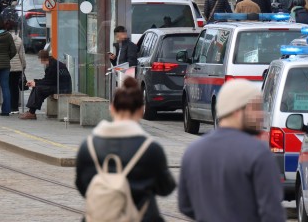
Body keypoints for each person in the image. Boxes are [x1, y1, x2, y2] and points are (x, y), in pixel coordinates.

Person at [178, 79, 284, 221]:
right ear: (237, 111)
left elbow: (185, 205)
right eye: (257, 108)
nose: (261, 115)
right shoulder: (258, 153)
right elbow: (272, 214)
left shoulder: (193, 152)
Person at [75, 77, 176, 221]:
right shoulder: (151, 149)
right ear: (141, 111)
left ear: (112, 108)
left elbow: (82, 186)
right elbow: (166, 188)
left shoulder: (88, 147)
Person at [20, 50, 72, 120]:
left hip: (63, 88)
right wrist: (35, 81)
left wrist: (36, 83)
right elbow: (48, 79)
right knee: (37, 87)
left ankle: (31, 113)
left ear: (41, 59)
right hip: (59, 86)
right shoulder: (52, 63)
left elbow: (49, 81)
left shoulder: (52, 65)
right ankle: (31, 112)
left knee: (39, 89)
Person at [7, 20, 26, 113]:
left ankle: (8, 107)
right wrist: (24, 66)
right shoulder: (18, 40)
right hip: (17, 67)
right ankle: (15, 108)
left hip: (6, 66)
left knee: (7, 87)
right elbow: (22, 55)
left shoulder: (4, 39)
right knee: (14, 87)